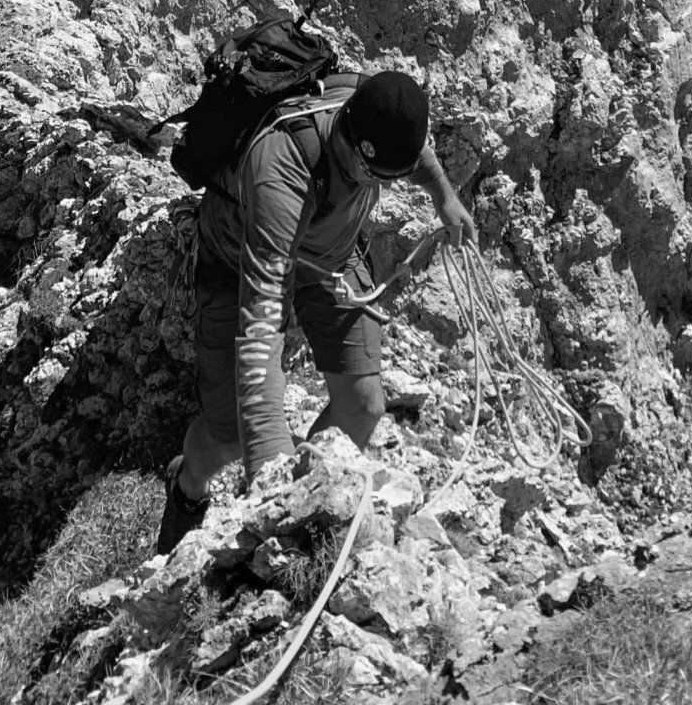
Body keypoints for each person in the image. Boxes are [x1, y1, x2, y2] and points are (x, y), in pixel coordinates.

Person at [157, 66, 473, 551]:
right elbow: (260, 332)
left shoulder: (366, 104)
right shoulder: (281, 171)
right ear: (355, 146)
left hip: (331, 258)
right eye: (378, 177)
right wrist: (273, 480)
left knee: (363, 405)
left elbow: (412, 152)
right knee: (231, 435)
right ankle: (186, 486)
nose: (383, 186)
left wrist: (444, 197)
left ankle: (302, 513)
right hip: (239, 262)